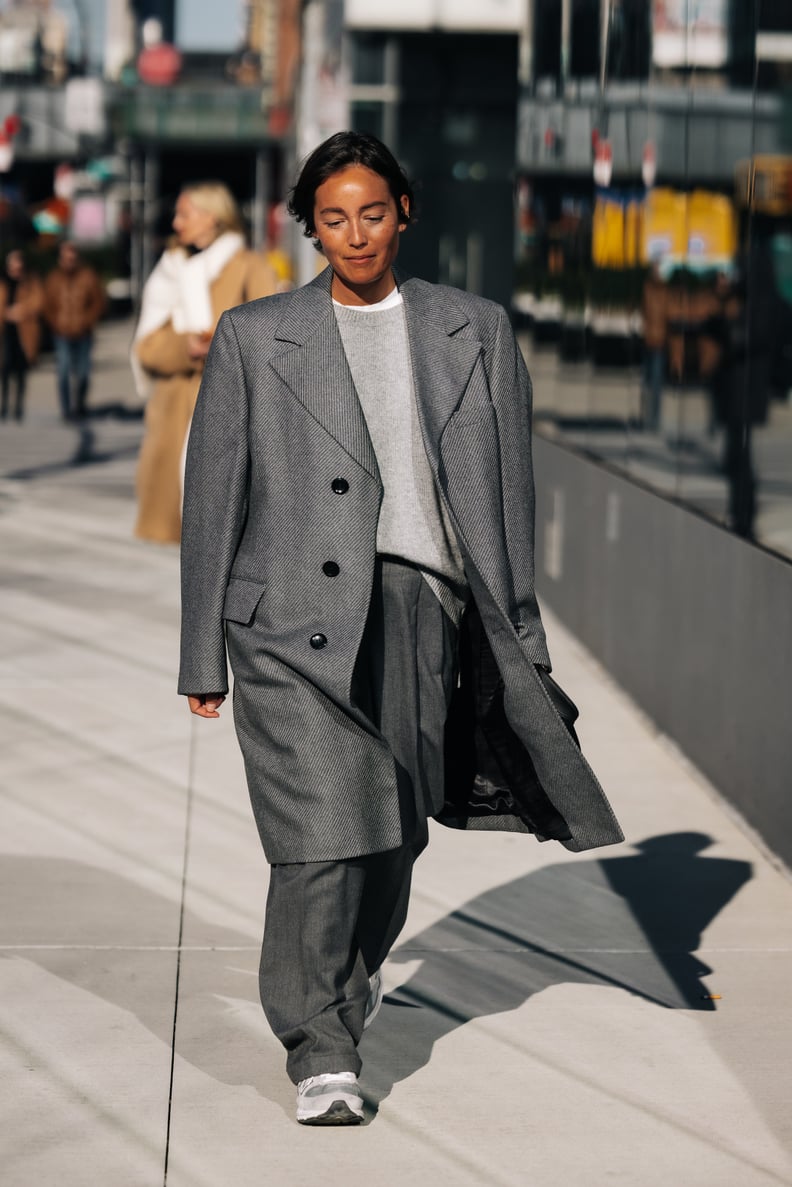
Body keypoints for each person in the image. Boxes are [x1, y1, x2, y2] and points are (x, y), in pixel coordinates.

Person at [178, 132, 624, 1126]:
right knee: (322, 837)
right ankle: (322, 1043)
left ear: (404, 213)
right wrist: (201, 649)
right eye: (332, 217)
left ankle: (349, 973)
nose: (354, 233)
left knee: (393, 828)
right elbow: (212, 499)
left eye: (371, 212)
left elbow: (510, 501)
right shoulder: (257, 336)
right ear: (311, 226)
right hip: (288, 625)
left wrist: (520, 642)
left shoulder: (475, 329)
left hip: (423, 606)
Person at [132, 181, 278, 544]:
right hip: (174, 411)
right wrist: (187, 347)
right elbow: (147, 347)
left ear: (211, 216)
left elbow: (274, 338)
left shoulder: (249, 267)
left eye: (184, 214)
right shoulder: (173, 268)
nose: (177, 224)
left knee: (224, 534)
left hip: (229, 406)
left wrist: (223, 345)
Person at [42, 240, 106, 420]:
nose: (69, 262)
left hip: (83, 332)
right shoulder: (53, 279)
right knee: (63, 372)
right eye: (65, 258)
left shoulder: (88, 276)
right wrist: (55, 323)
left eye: (72, 258)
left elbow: (99, 301)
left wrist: (88, 320)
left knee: (84, 373)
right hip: (61, 333)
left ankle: (80, 405)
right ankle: (66, 410)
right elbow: (47, 305)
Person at [0, 249, 44, 422]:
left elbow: (38, 301)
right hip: (5, 331)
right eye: (13, 263)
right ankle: (4, 406)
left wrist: (22, 310)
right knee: (4, 370)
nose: (16, 266)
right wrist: (6, 313)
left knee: (21, 371)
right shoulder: (3, 283)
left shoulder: (30, 282)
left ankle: (18, 407)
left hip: (25, 331)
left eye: (18, 262)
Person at [640, 260, 668, 430]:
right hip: (648, 340)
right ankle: (646, 418)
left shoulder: (664, 291)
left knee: (656, 383)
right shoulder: (647, 289)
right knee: (647, 383)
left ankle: (654, 420)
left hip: (659, 343)